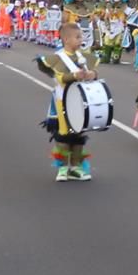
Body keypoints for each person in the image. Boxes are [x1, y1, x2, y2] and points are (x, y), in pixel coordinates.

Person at [37, 20, 99, 181]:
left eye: (81, 37)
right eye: (77, 37)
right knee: (63, 136)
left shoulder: (83, 56)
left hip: (80, 102)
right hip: (62, 103)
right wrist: (74, 75)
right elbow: (61, 78)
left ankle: (76, 167)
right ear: (66, 39)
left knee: (78, 135)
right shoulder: (58, 58)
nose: (81, 40)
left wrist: (92, 74)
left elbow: (94, 72)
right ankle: (63, 168)